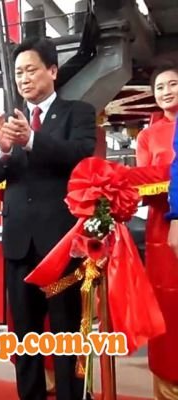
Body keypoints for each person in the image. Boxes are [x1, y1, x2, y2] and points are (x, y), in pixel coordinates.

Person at [0, 37, 96, 400]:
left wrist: (32, 140)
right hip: (19, 244)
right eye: (18, 73)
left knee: (65, 333)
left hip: (60, 244)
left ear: (53, 71)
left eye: (31, 70)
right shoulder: (12, 122)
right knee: (25, 335)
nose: (24, 78)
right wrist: (2, 150)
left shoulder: (77, 112)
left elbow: (81, 155)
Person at [138, 64, 178, 398]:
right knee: (166, 304)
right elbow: (141, 182)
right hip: (162, 226)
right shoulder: (147, 136)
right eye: (160, 87)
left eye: (173, 84)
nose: (166, 91)